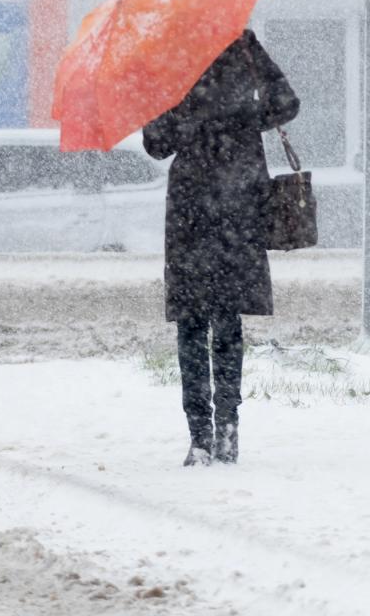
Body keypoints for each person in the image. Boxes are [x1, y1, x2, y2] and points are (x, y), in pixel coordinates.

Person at [142, 29, 300, 466]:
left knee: (193, 323)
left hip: (194, 205)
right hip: (236, 197)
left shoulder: (170, 58)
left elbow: (157, 143)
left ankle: (201, 437)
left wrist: (188, 112)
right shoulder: (242, 44)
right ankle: (226, 428)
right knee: (225, 319)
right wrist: (242, 116)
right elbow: (286, 102)